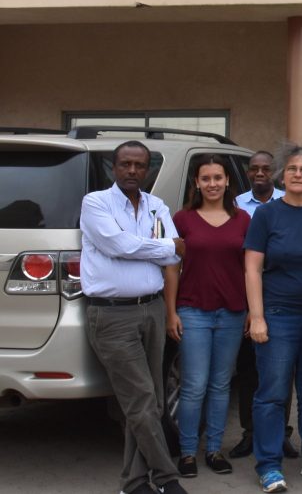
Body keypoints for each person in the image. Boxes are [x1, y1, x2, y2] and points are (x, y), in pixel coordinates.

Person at [80, 140, 188, 494]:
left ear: (148, 169)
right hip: (112, 316)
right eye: (125, 164)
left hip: (152, 309)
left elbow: (172, 258)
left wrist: (160, 249)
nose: (132, 171)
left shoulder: (157, 206)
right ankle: (168, 477)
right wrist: (164, 247)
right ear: (115, 167)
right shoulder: (96, 202)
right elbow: (118, 245)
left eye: (139, 165)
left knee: (148, 401)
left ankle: (135, 481)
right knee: (141, 399)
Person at [244, 144, 302, 493]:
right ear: (280, 176)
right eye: (291, 169)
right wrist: (257, 317)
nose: (298, 174)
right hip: (278, 315)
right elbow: (252, 267)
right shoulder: (266, 215)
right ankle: (269, 464)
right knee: (272, 394)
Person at [167, 154, 251, 478]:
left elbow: (249, 268)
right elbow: (172, 269)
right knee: (193, 386)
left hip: (231, 312)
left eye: (218, 177)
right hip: (193, 311)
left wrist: (250, 310)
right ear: (197, 183)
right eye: (206, 178)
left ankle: (214, 450)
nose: (213, 184)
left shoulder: (243, 219)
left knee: (220, 385)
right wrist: (170, 312)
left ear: (228, 181)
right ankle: (188, 453)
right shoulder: (183, 219)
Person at [231, 151, 298, 461]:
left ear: (276, 172)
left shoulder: (289, 201)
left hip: (281, 298)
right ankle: (250, 432)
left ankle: (281, 433)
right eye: (254, 168)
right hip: (247, 297)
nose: (259, 173)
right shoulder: (237, 205)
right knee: (249, 371)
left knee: (282, 372)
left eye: (265, 168)